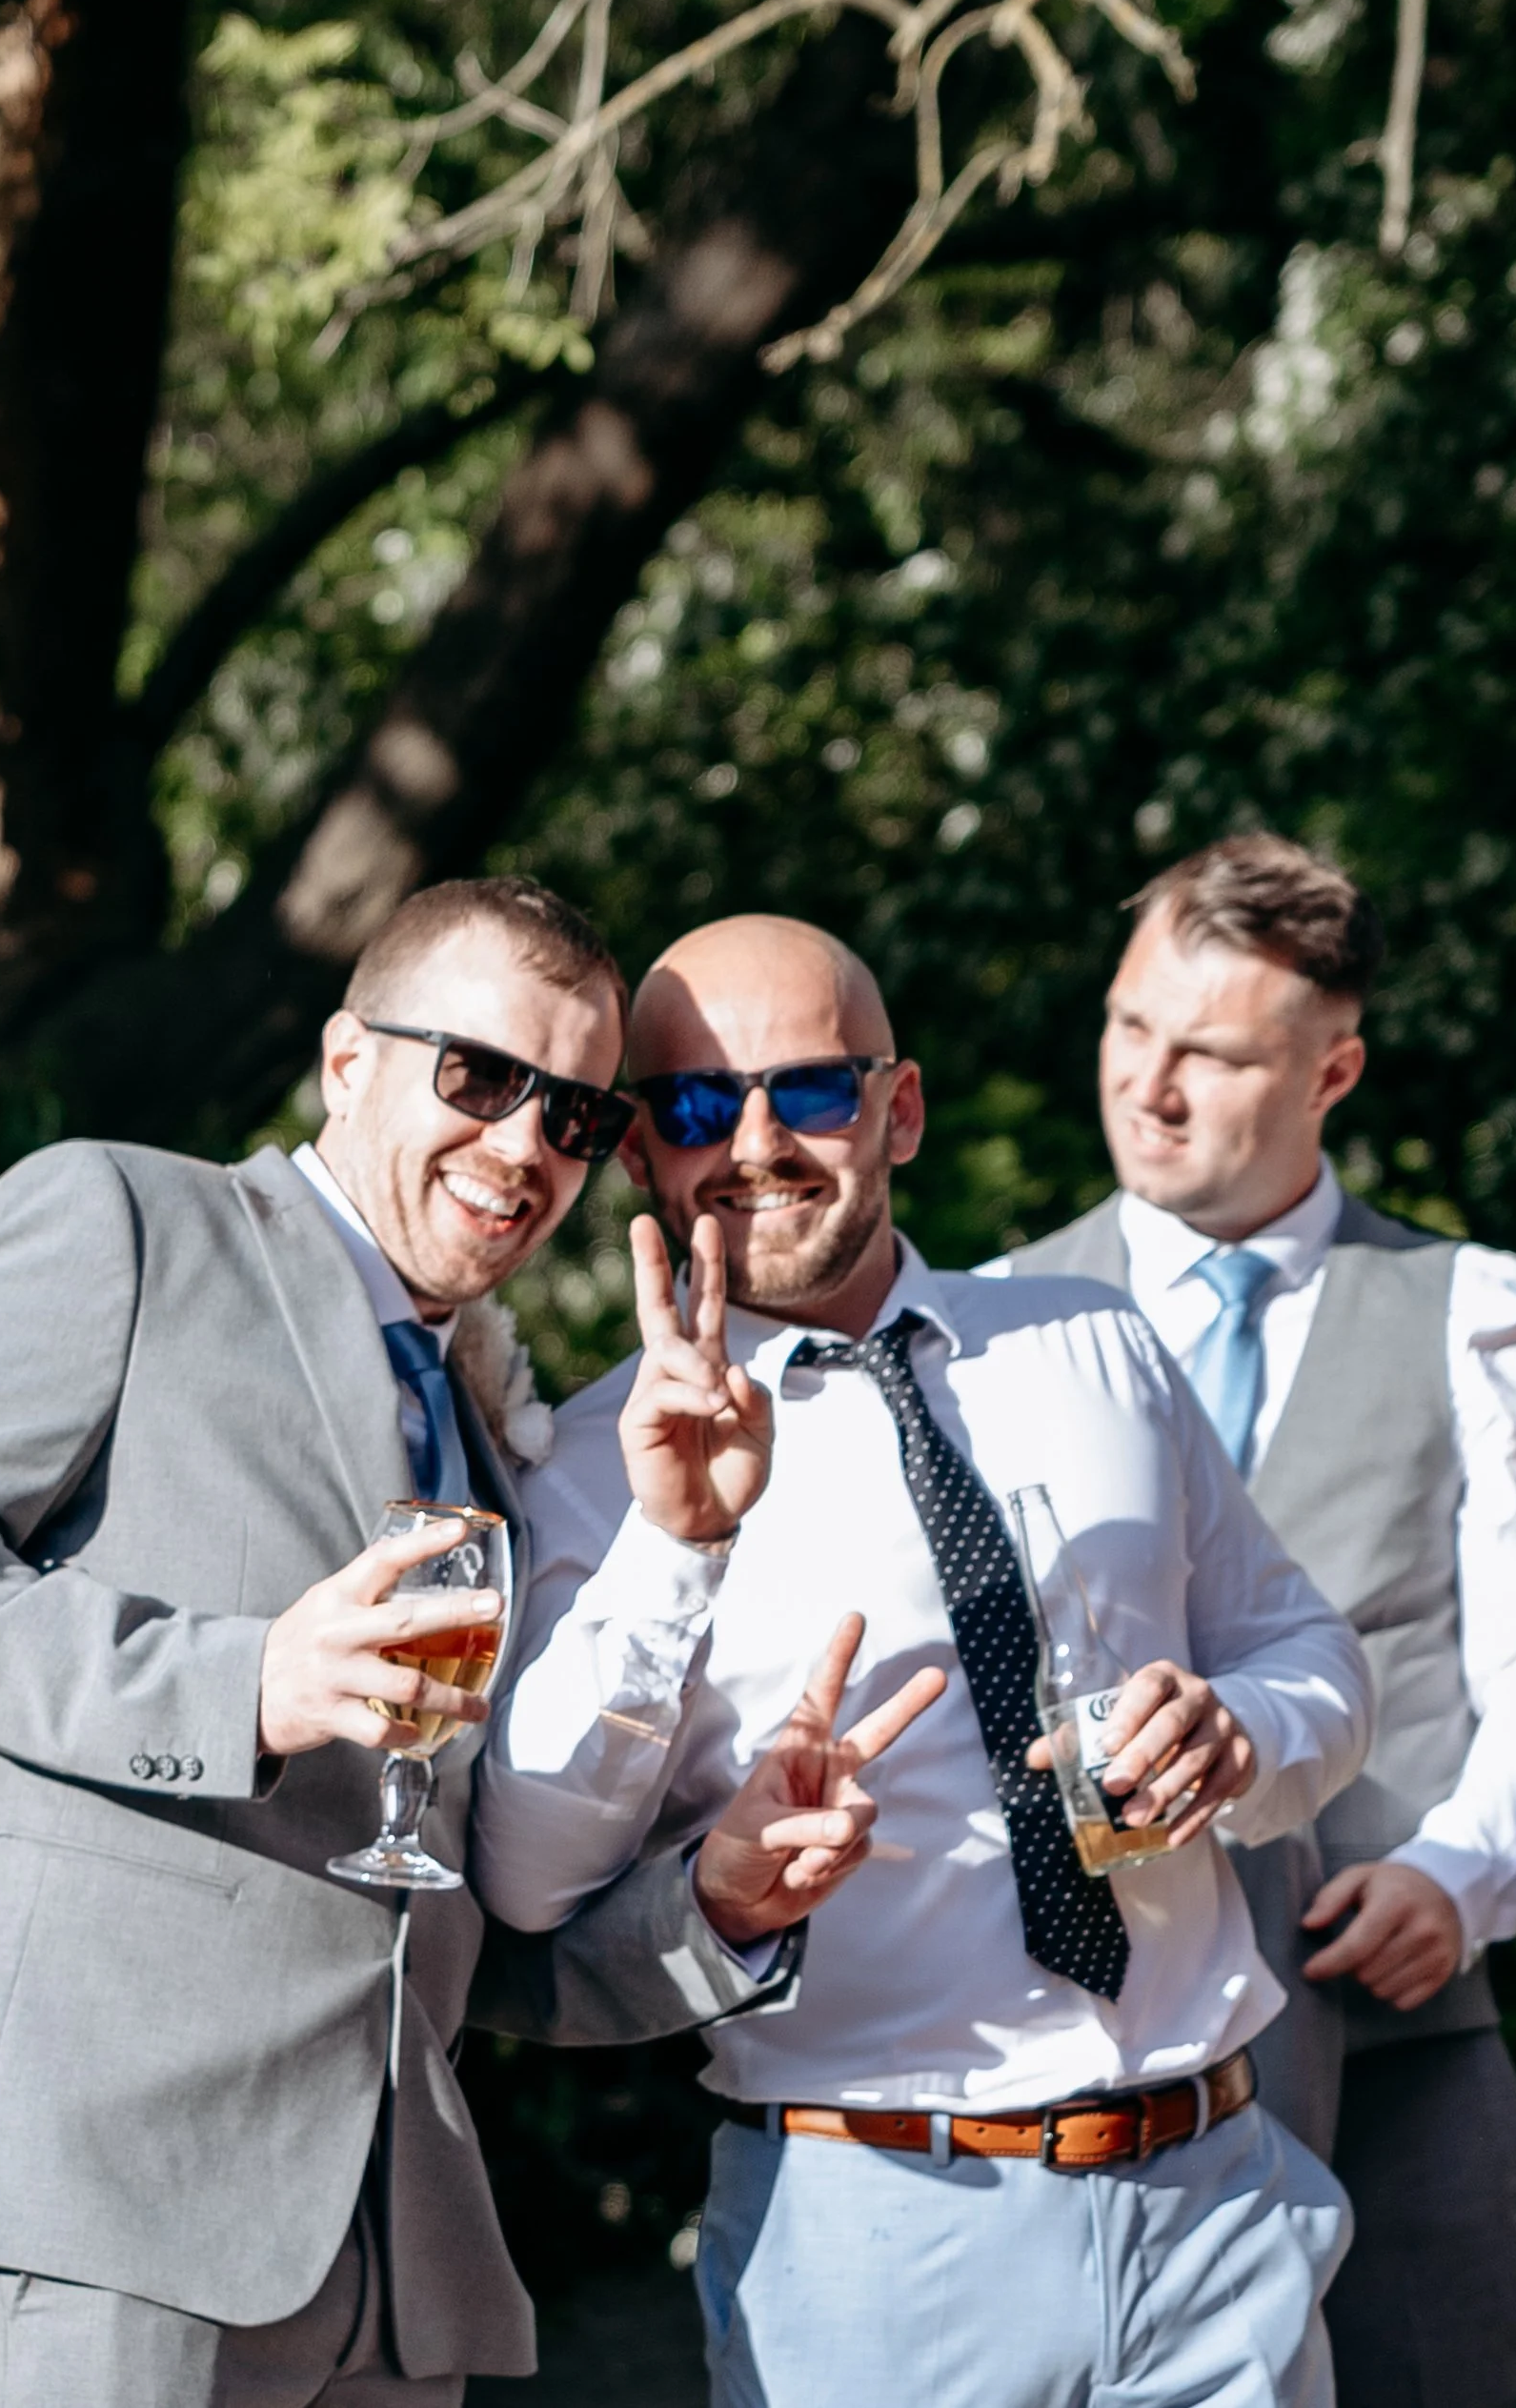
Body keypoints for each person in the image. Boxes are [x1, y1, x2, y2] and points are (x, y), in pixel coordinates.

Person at [0, 876, 875, 2408]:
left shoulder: (495, 1444)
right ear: (347, 1061)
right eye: (481, 1078)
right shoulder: (125, 1217)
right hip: (95, 2203)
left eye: (571, 1115)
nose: (522, 1149)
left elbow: (437, 1905)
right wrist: (241, 1683)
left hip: (388, 2271)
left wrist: (713, 1910)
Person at [473, 910, 1373, 2408]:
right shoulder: (580, 1468)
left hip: (1218, 2201)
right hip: (877, 2230)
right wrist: (673, 1546)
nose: (754, 1140)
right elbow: (526, 1875)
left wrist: (1245, 1736)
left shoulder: (1094, 1343)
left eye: (808, 1092)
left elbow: (1312, 1657)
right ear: (637, 1153)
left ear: (897, 1109)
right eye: (697, 1105)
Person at [1001, 830, 1516, 2408]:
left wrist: (1460, 1874)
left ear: (1331, 1071)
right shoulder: (990, 1319)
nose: (1147, 1088)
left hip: (1396, 2034)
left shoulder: (1477, 1312)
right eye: (1127, 1027)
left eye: (1214, 1055)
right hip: (1102, 2063)